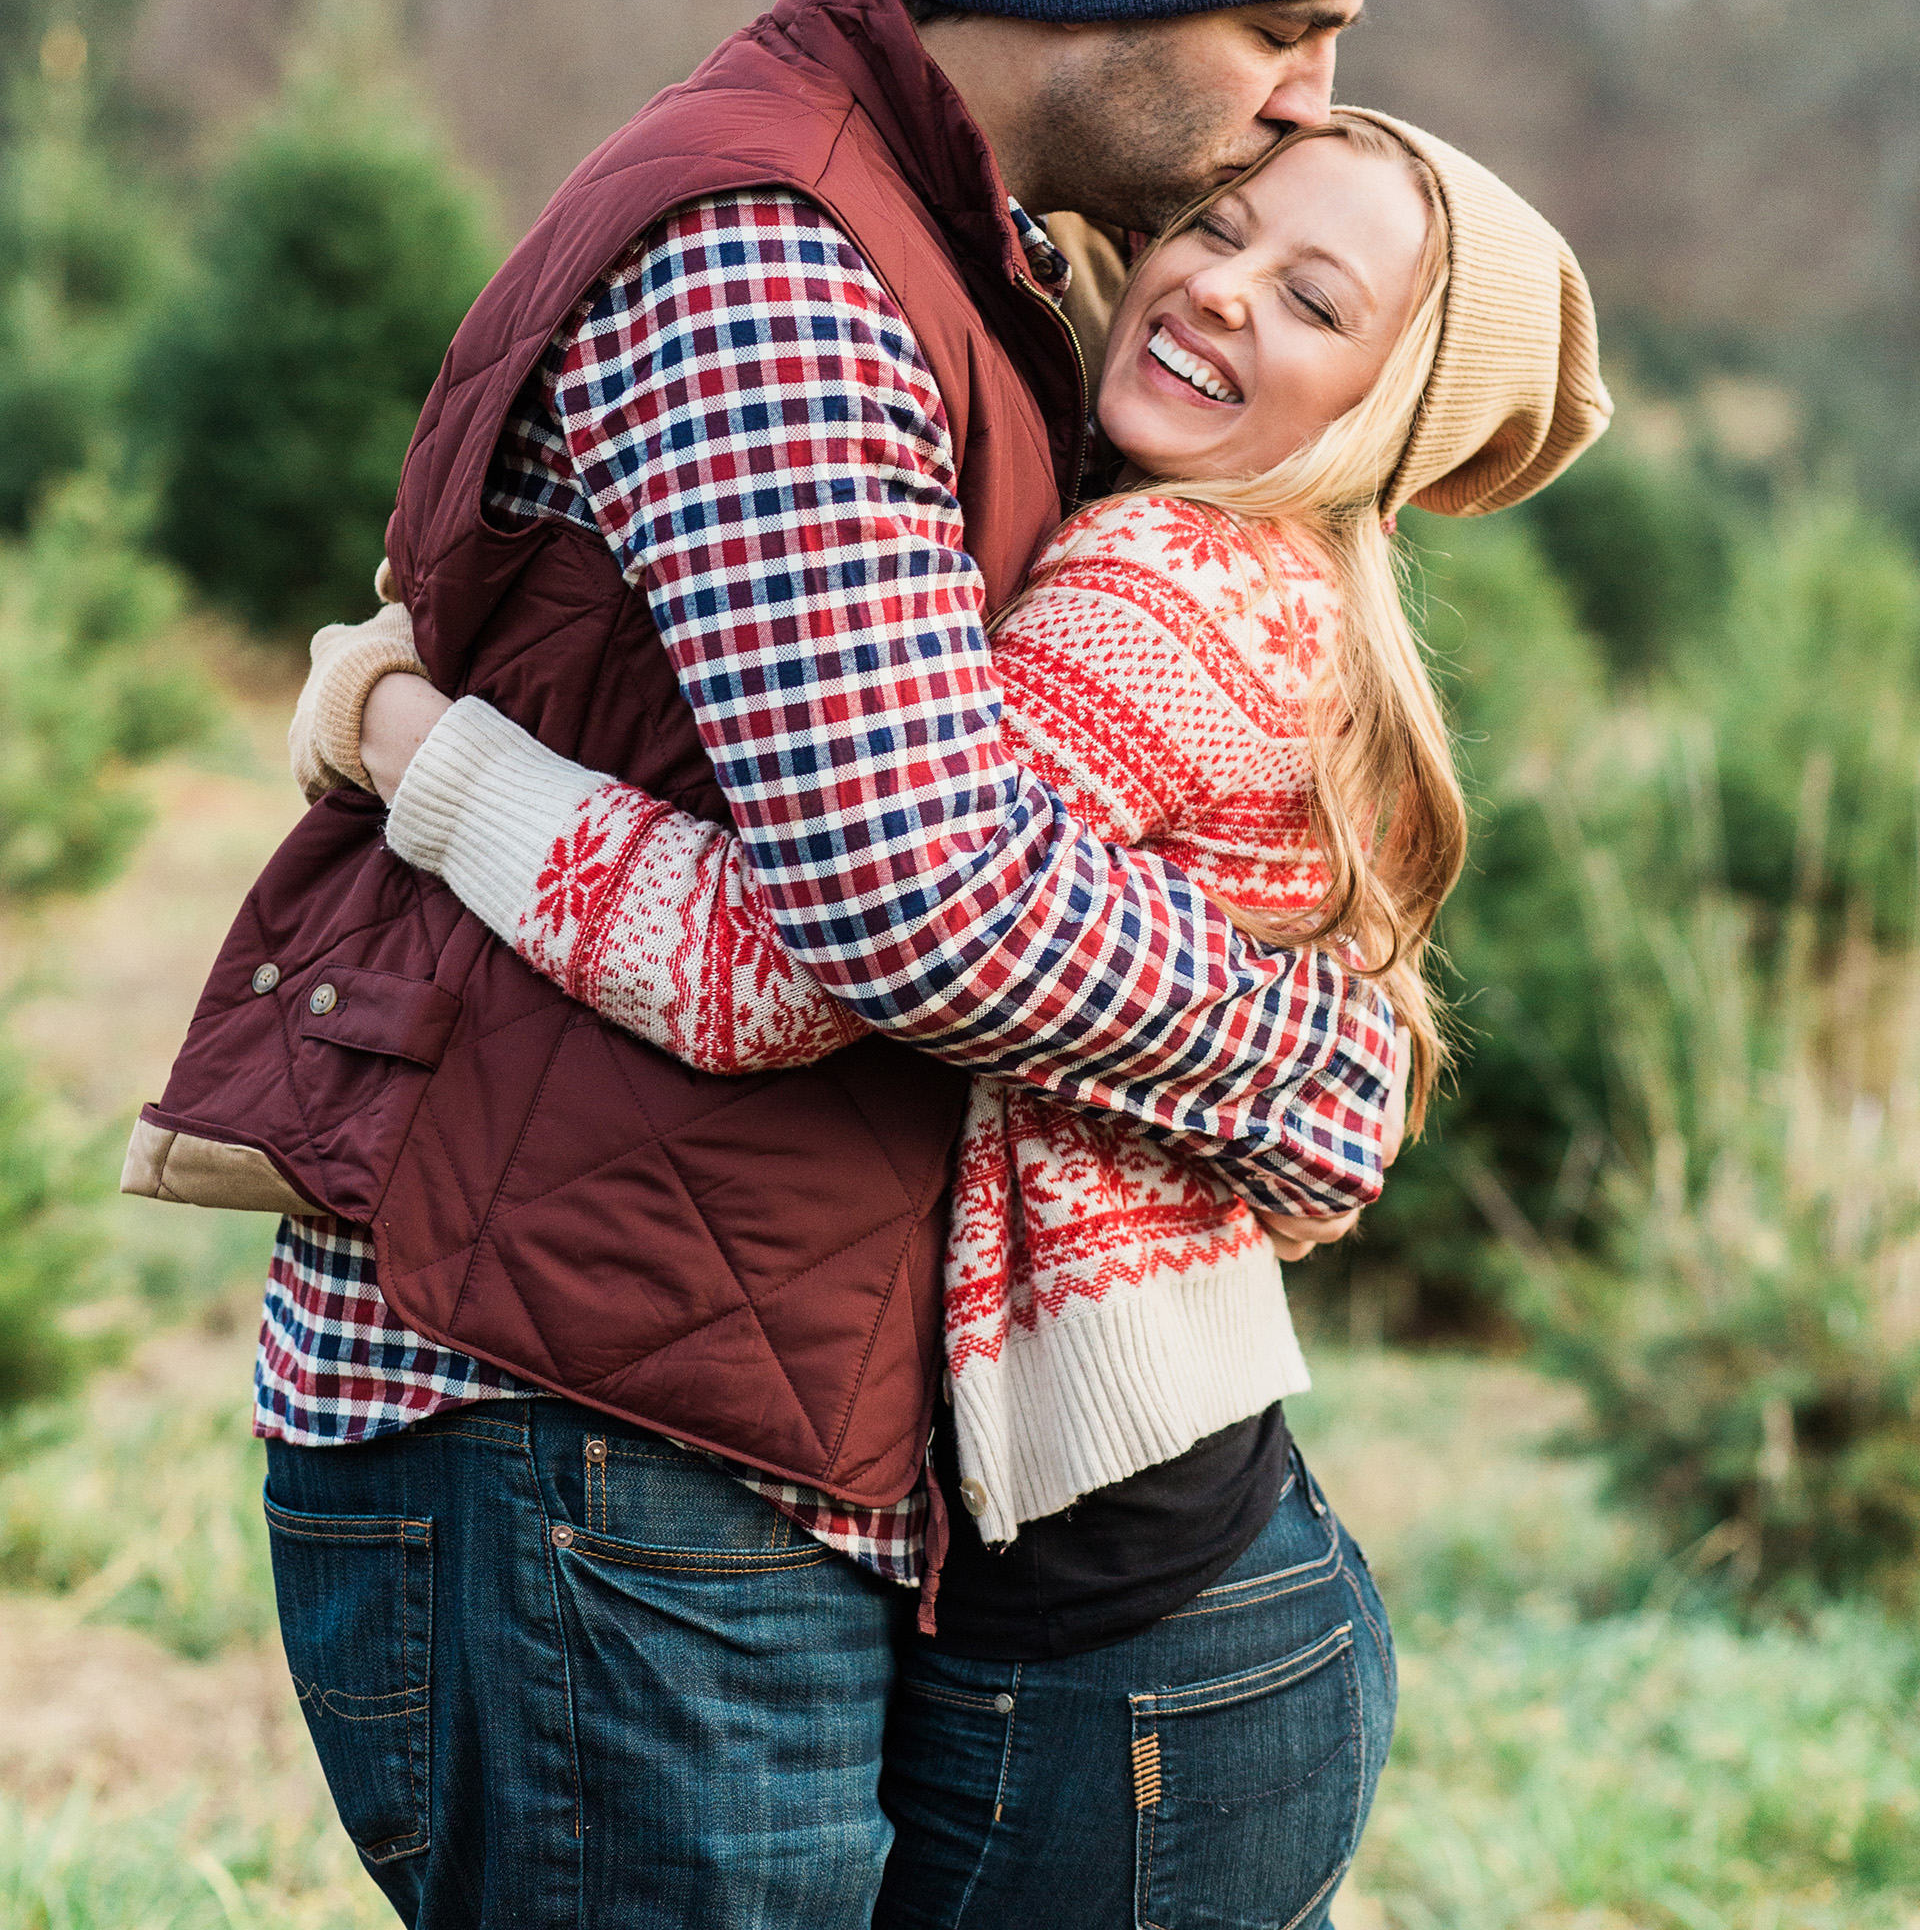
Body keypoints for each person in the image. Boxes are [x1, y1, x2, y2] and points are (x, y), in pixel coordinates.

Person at [122, 0, 1549, 1928]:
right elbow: (912, 898)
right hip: (578, 1401)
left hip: (699, 1374)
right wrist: (1310, 1054)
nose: (1301, 99)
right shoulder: (787, 255)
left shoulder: (961, 260)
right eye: (1287, 32)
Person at [302, 107, 1607, 1928]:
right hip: (1186, 1609)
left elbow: (789, 960)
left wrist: (408, 741)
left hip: (1124, 1665)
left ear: (1379, 420)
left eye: (1312, 302)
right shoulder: (1235, 574)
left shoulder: (1162, 592)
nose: (1219, 290)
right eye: (1221, 226)